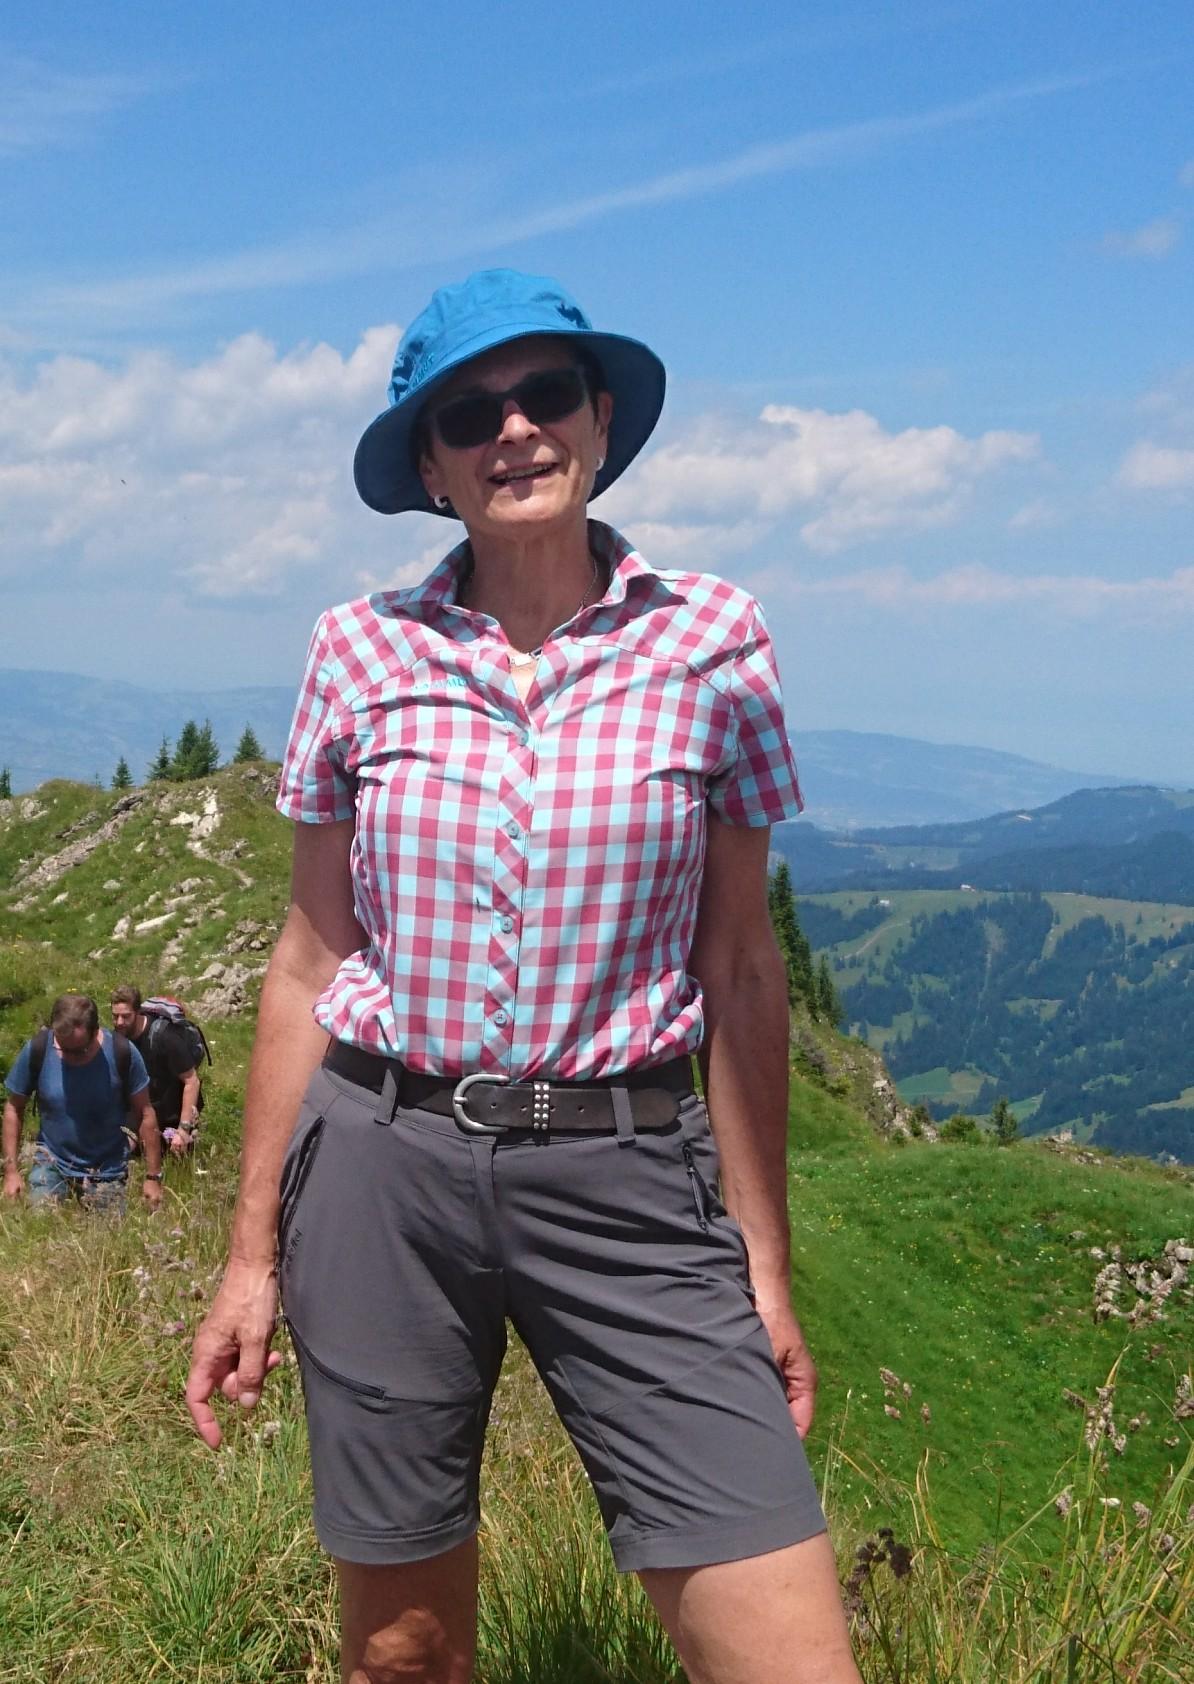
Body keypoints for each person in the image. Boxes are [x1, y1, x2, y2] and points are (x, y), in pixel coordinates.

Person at [186, 269, 862, 1684]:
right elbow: (309, 961)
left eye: (545, 393)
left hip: (632, 1169)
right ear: (431, 468)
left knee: (791, 1659)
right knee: (403, 1653)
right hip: (382, 1163)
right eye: (468, 414)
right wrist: (249, 1261)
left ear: (600, 421)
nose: (513, 430)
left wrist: (763, 1261)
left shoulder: (714, 641)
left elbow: (741, 969)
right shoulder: (358, 650)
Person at [3, 992, 162, 1211]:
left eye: (79, 1051)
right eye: (63, 1048)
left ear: (95, 1032)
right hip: (51, 1164)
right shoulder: (39, 1049)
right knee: (40, 1226)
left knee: (107, 1233)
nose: (70, 1057)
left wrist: (153, 1177)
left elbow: (145, 1113)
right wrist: (11, 1171)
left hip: (107, 1170)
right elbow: (14, 1107)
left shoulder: (122, 1053)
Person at [110, 986, 202, 1156]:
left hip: (170, 1112)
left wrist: (183, 1130)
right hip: (142, 1106)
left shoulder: (165, 1037)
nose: (120, 1022)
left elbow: (192, 1081)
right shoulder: (118, 1039)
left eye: (126, 1016)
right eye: (115, 1016)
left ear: (138, 1012)